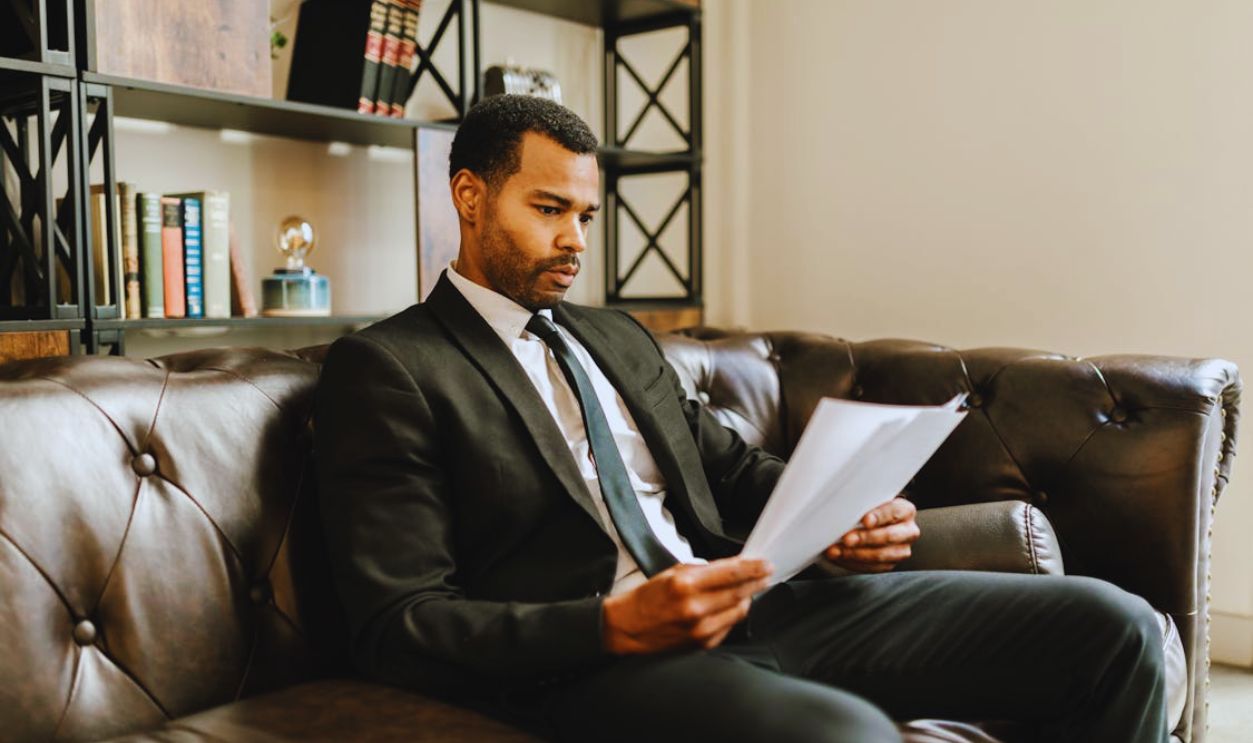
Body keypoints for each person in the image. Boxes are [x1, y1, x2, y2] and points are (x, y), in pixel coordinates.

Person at [313, 94, 1167, 743]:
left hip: (759, 605)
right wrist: (609, 623)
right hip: (593, 661)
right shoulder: (390, 366)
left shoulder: (614, 335)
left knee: (1110, 625)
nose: (575, 239)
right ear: (469, 196)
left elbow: (729, 469)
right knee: (848, 736)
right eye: (547, 210)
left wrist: (835, 514)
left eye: (585, 215)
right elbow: (401, 622)